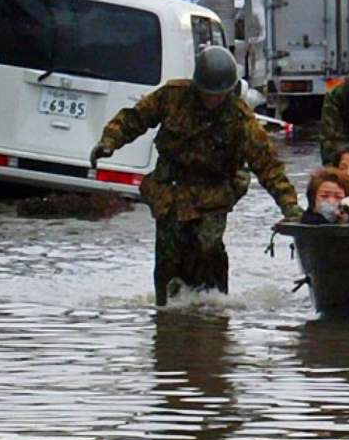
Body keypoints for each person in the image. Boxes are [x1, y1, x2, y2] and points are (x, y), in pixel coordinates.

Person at [91, 46, 300, 306]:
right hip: (171, 188)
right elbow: (135, 118)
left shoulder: (240, 119)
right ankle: (166, 316)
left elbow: (269, 166)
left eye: (219, 95)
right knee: (168, 256)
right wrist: (109, 142)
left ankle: (214, 309)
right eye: (208, 94)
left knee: (206, 247)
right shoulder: (173, 96)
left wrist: (291, 207)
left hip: (213, 192)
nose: (212, 100)